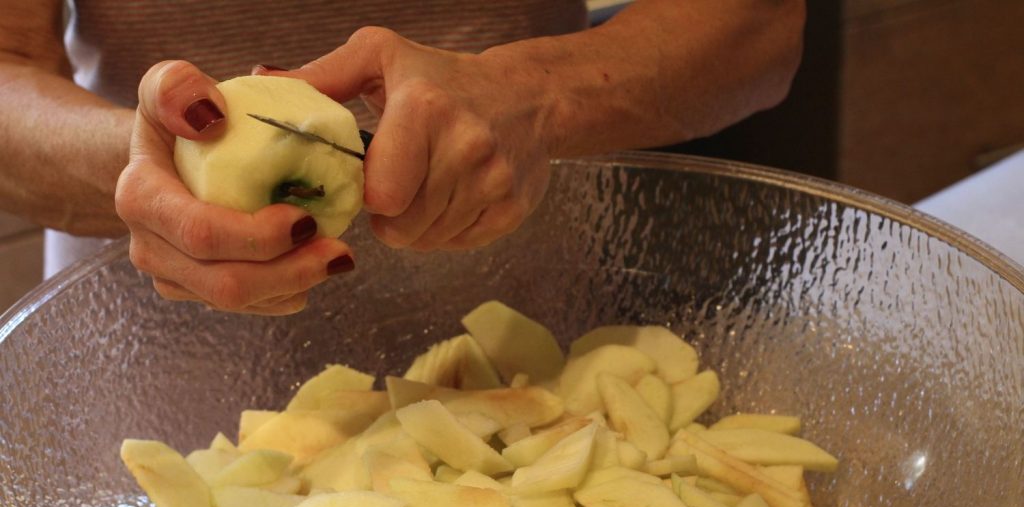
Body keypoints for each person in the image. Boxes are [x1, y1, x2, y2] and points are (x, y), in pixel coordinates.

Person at [1, 1, 805, 315]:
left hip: (527, 345)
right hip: (157, 357)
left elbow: (762, 27)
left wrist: (533, 91)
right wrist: (156, 167)